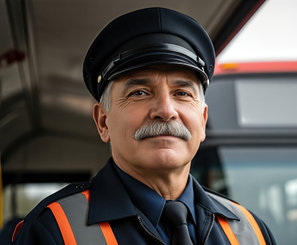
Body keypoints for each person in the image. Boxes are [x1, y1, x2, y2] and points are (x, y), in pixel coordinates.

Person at [11, 7, 276, 245]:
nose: (166, 111)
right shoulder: (53, 231)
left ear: (203, 121)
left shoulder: (251, 233)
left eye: (182, 93)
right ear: (103, 122)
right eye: (139, 92)